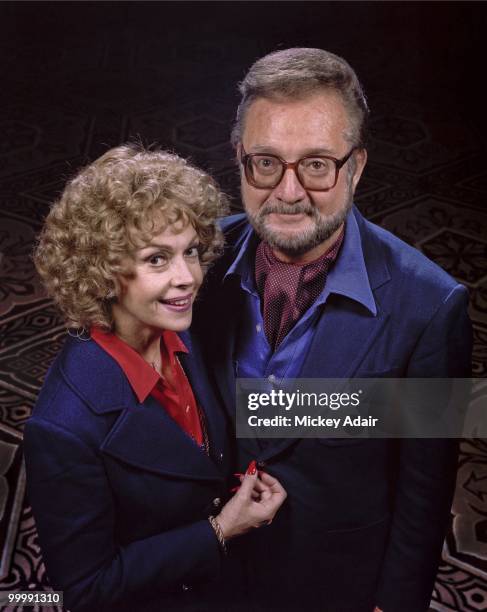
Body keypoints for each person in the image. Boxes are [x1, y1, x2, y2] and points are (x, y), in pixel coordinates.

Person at [191, 48, 472, 612]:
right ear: (239, 157)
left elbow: (425, 489)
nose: (289, 192)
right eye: (266, 162)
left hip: (332, 581)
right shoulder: (194, 262)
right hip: (203, 568)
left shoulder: (431, 305)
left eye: (317, 164)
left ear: (357, 166)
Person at [24, 144, 286, 612]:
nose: (187, 277)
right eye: (157, 260)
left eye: (190, 252)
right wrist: (221, 530)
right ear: (103, 271)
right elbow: (82, 590)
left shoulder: (189, 333)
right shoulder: (62, 426)